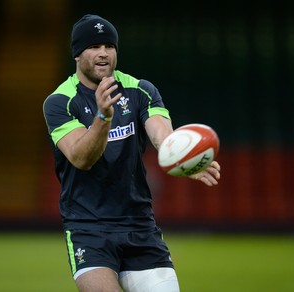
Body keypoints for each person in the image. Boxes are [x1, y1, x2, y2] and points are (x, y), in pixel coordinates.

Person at [43, 14, 221, 292]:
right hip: (88, 228)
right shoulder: (60, 101)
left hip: (140, 225)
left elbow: (162, 136)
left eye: (109, 46)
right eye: (94, 46)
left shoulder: (141, 91)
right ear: (77, 54)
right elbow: (81, 158)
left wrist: (184, 156)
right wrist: (103, 117)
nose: (103, 53)